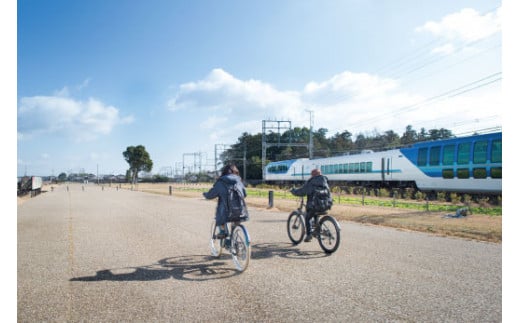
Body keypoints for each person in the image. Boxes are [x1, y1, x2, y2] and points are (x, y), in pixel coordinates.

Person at [203, 164, 247, 238]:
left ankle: (223, 232)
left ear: (224, 172)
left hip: (226, 212)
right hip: (240, 210)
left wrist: (205, 194)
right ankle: (235, 240)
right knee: (236, 222)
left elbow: (211, 195)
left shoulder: (221, 182)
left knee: (220, 214)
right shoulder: (239, 180)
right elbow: (244, 194)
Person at [290, 168, 330, 242]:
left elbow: (302, 191)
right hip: (325, 205)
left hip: (314, 205)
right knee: (314, 214)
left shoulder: (311, 182)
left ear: (313, 175)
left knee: (307, 218)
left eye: (311, 174)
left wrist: (293, 191)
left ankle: (309, 235)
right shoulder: (325, 180)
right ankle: (317, 229)